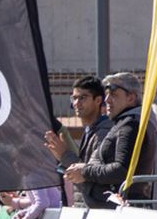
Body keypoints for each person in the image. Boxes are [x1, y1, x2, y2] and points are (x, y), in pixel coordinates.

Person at [66, 71, 157, 205]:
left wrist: (85, 171)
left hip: (122, 209)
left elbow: (122, 171)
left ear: (131, 98)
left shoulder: (130, 126)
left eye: (113, 95)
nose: (107, 100)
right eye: (107, 94)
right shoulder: (126, 123)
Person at [43, 75, 112, 208]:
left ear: (98, 100)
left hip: (99, 212)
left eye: (83, 98)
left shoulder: (104, 132)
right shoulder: (90, 131)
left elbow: (91, 174)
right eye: (74, 98)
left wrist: (63, 155)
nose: (76, 103)